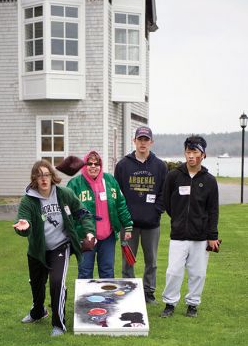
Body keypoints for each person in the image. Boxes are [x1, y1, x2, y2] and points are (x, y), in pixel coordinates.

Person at [13, 160, 95, 337]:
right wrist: (25, 226)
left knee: (57, 282)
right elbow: (24, 223)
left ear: (52, 176)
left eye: (46, 174)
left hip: (60, 246)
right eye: (39, 175)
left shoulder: (64, 194)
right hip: (37, 250)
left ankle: (58, 324)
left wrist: (89, 232)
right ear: (34, 178)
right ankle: (38, 312)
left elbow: (83, 213)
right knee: (37, 285)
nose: (43, 179)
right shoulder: (28, 200)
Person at [160, 135, 220, 318]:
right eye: (188, 152)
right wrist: (178, 218)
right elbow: (167, 201)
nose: (191, 156)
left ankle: (192, 304)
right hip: (178, 234)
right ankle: (170, 303)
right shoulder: (173, 176)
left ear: (203, 155)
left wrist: (212, 235)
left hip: (201, 236)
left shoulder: (209, 181)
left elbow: (213, 210)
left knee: (198, 273)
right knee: (173, 271)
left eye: (195, 152)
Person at [114, 126, 168, 304]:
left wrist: (156, 212)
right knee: (128, 259)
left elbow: (164, 193)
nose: (143, 143)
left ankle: (148, 292)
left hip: (151, 224)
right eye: (140, 139)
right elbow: (117, 193)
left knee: (151, 260)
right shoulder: (123, 165)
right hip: (129, 225)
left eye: (146, 140)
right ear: (134, 141)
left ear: (151, 142)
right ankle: (128, 290)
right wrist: (123, 218)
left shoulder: (160, 166)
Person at [67, 151, 133, 279]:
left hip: (108, 236)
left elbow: (120, 204)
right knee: (85, 271)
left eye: (96, 164)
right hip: (85, 236)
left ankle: (107, 299)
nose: (93, 166)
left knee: (107, 271)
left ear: (100, 166)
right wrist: (73, 232)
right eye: (89, 163)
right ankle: (85, 299)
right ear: (84, 165)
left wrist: (128, 225)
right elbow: (67, 211)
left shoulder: (110, 180)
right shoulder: (75, 184)